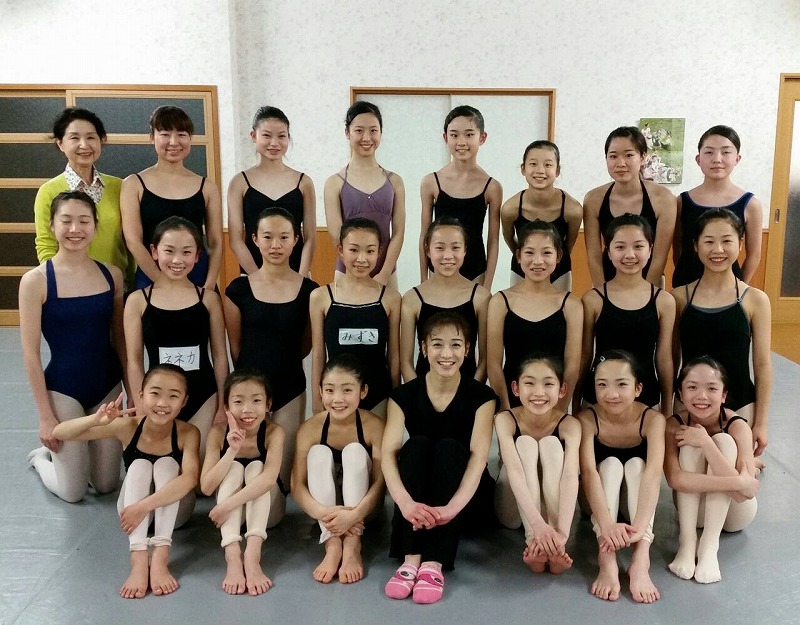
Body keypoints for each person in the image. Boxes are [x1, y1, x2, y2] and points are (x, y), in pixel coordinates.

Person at [52, 364, 200, 599]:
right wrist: (95, 420)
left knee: (166, 464)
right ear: (141, 395)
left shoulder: (188, 432)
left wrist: (143, 507)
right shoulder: (128, 427)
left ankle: (160, 557)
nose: (162, 403)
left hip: (170, 515)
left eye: (173, 396)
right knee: (140, 465)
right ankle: (139, 560)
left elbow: (190, 478)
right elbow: (59, 433)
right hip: (131, 517)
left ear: (184, 401)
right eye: (155, 393)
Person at [382, 312, 497, 605]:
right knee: (416, 445)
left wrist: (451, 508)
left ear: (467, 349)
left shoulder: (482, 397)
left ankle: (434, 563)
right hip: (416, 506)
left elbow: (479, 459)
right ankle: (411, 559)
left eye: (456, 345)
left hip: (463, 500)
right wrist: (404, 503)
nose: (447, 354)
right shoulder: (403, 395)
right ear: (423, 348)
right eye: (437, 344)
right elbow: (388, 455)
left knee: (449, 448)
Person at [22, 191, 126, 502]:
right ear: (52, 225)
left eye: (83, 221)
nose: (74, 229)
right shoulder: (36, 281)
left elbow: (120, 340)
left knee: (106, 484)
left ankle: (78, 457)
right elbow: (30, 354)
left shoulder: (111, 274)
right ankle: (41, 460)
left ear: (95, 226)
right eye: (66, 221)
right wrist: (45, 416)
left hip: (107, 385)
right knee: (73, 492)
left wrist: (132, 390)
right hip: (64, 389)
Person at [224, 207, 318, 490]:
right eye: (267, 237)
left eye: (284, 237)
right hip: (248, 393)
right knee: (246, 472)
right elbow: (236, 345)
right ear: (254, 239)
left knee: (281, 482)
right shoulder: (237, 290)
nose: (275, 245)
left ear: (296, 239)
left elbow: (306, 343)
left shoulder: (310, 291)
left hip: (290, 386)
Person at [124, 217, 228, 455]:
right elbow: (134, 360)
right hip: (159, 400)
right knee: (167, 468)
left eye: (186, 252)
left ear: (197, 256)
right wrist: (141, 406)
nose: (177, 260)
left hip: (204, 396)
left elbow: (220, 356)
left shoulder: (209, 299)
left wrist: (223, 403)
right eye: (169, 251)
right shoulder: (138, 301)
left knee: (200, 473)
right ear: (154, 252)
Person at [672, 208, 771, 457]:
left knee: (730, 470)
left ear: (740, 244)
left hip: (739, 404)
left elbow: (762, 364)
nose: (718, 250)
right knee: (693, 468)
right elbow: (670, 360)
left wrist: (760, 423)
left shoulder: (755, 300)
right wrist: (667, 412)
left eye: (727, 241)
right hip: (691, 404)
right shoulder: (679, 298)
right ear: (695, 246)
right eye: (709, 241)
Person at [578, 351, 666, 604]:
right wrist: (606, 525)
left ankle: (640, 559)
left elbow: (653, 474)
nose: (612, 394)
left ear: (638, 388)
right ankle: (606, 559)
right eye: (602, 385)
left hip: (635, 509)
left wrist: (639, 531)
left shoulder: (653, 420)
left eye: (621, 384)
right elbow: (588, 474)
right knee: (610, 465)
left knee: (639, 465)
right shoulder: (587, 419)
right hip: (597, 506)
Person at [292, 355, 385, 584]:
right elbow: (297, 484)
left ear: (363, 391)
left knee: (354, 451)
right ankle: (332, 545)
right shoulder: (310, 429)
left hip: (363, 511)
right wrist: (324, 514)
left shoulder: (374, 426)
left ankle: (352, 546)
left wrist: (354, 514)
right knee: (318, 453)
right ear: (320, 391)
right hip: (325, 515)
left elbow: (380, 483)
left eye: (347, 390)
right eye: (330, 390)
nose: (338, 399)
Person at [665, 357, 759, 584]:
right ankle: (687, 543)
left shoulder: (738, 426)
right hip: (694, 512)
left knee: (723, 442)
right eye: (692, 387)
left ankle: (709, 546)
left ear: (724, 395)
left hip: (735, 513)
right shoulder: (673, 424)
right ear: (680, 393)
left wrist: (707, 443)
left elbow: (745, 495)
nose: (702, 396)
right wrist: (738, 482)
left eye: (711, 388)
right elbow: (675, 479)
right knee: (689, 444)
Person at [579, 214, 675, 416]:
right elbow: (584, 356)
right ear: (609, 251)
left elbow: (664, 359)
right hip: (599, 399)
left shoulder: (664, 301)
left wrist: (667, 409)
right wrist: (574, 403)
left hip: (646, 398)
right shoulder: (593, 300)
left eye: (638, 246)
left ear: (650, 249)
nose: (629, 255)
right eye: (620, 247)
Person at [200, 370, 285, 596]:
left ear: (268, 404)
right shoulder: (218, 433)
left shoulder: (274, 432)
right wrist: (231, 451)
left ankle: (252, 556)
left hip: (267, 512)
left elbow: (269, 479)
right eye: (238, 402)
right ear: (226, 406)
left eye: (256, 401)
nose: (247, 409)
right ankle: (233, 557)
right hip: (231, 519)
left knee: (257, 468)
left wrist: (226, 505)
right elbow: (206, 487)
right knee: (235, 467)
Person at [494, 355, 581, 575]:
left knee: (551, 444)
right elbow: (514, 472)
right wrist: (538, 527)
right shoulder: (505, 419)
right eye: (530, 383)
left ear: (562, 390)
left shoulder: (570, 425)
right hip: (514, 512)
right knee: (525, 443)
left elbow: (571, 476)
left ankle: (555, 547)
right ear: (516, 388)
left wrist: (563, 533)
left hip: (551, 513)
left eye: (548, 384)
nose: (539, 392)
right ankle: (534, 542)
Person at [121, 105, 223, 290]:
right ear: (152, 138)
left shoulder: (207, 187)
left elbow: (216, 243)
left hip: (198, 276)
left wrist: (209, 285)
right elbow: (133, 241)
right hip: (151, 276)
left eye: (181, 134)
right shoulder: (133, 184)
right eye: (165, 134)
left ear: (190, 138)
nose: (174, 142)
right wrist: (162, 282)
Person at [487, 220, 582, 411]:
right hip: (512, 403)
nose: (538, 261)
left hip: (553, 403)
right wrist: (506, 410)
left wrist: (558, 413)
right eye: (529, 253)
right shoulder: (500, 302)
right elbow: (494, 365)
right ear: (518, 256)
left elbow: (572, 367)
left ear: (558, 256)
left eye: (546, 253)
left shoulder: (571, 304)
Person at [309, 217, 401, 417]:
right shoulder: (321, 297)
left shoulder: (391, 298)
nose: (361, 259)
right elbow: (318, 354)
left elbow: (394, 357)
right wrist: (317, 401)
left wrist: (396, 399)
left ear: (379, 251)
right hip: (338, 398)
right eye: (354, 250)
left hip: (379, 395)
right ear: (340, 250)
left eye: (369, 251)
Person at [34, 107, 133, 287]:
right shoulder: (48, 191)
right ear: (60, 143)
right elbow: (46, 245)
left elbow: (131, 240)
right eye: (74, 138)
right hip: (69, 288)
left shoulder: (120, 187)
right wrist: (59, 285)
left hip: (117, 285)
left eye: (90, 137)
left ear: (101, 140)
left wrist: (133, 285)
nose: (84, 145)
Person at [419, 105, 503, 289]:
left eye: (469, 134)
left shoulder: (492, 187)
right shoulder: (431, 182)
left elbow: (493, 240)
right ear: (445, 138)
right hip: (438, 269)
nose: (461, 142)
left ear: (482, 138)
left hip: (476, 271)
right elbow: (425, 234)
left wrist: (487, 286)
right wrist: (424, 279)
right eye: (454, 135)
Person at [227, 106, 316, 276]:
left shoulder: (304, 182)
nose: (274, 143)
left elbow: (310, 237)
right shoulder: (239, 182)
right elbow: (236, 240)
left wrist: (301, 278)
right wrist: (258, 278)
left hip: (296, 273)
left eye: (281, 136)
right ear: (254, 136)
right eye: (267, 135)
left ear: (288, 137)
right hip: (252, 275)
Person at [324, 101, 405, 287]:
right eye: (359, 131)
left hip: (386, 272)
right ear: (347, 133)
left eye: (373, 131)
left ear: (381, 133)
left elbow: (399, 233)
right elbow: (337, 235)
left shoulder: (395, 181)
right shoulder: (334, 183)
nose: (366, 138)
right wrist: (357, 270)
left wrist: (384, 274)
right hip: (347, 272)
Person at [583, 126, 676, 288]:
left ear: (643, 158)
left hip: (650, 281)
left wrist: (646, 293)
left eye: (629, 155)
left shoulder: (664, 199)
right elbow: (594, 256)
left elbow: (659, 257)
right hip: (607, 282)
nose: (621, 163)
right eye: (613, 156)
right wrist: (601, 292)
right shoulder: (593, 199)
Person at [400, 217, 490, 382]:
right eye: (440, 248)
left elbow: (485, 360)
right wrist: (417, 393)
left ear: (465, 250)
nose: (448, 256)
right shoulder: (412, 299)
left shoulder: (481, 297)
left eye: (455, 247)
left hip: (469, 391)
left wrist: (473, 393)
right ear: (427, 250)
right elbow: (405, 362)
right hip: (423, 391)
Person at [672, 125, 763, 287]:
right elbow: (678, 248)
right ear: (698, 159)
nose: (717, 159)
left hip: (729, 287)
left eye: (726, 152)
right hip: (686, 284)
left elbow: (754, 255)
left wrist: (740, 286)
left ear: (737, 159)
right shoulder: (681, 201)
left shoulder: (751, 204)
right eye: (709, 152)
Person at [500, 140, 582, 290]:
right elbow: (509, 238)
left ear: (557, 170)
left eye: (548, 165)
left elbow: (569, 243)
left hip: (559, 269)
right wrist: (526, 257)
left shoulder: (573, 209)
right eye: (533, 164)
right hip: (523, 268)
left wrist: (552, 259)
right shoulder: (510, 209)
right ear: (523, 169)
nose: (540, 170)